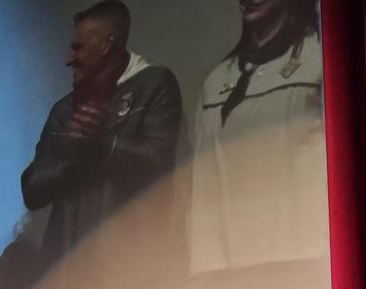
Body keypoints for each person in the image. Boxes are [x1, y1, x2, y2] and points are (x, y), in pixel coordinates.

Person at [21, 2, 182, 265]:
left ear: (107, 45)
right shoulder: (63, 111)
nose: (68, 59)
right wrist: (72, 156)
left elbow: (159, 164)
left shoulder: (155, 85)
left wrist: (99, 145)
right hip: (66, 274)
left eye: (78, 48)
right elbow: (31, 191)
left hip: (129, 269)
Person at [189, 0, 324, 271]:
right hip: (230, 269)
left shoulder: (321, 61)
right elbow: (204, 192)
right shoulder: (217, 82)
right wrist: (205, 270)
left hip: (304, 261)